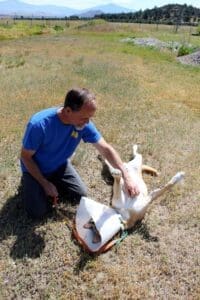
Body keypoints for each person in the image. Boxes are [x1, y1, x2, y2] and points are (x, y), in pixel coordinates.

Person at [20, 88, 139, 219]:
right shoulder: (39, 125)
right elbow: (25, 157)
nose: (87, 122)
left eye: (89, 118)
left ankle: (50, 185)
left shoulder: (82, 124)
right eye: (84, 117)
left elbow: (105, 149)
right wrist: (44, 183)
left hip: (59, 166)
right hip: (35, 169)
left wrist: (126, 176)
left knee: (80, 196)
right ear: (68, 111)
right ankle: (33, 184)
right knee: (37, 213)